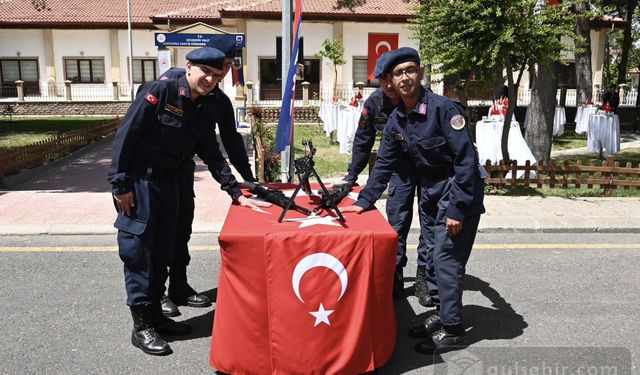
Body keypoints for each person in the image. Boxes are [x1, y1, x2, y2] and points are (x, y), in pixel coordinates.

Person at [107, 46, 270, 356]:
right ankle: (141, 327)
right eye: (204, 72)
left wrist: (236, 191)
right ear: (190, 67)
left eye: (217, 75)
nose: (210, 79)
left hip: (171, 185)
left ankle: (157, 316)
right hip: (140, 184)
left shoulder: (204, 106)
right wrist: (120, 184)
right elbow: (126, 136)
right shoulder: (161, 91)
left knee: (163, 251)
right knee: (139, 253)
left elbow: (212, 152)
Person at [341, 47, 485, 352]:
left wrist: (458, 209)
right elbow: (383, 164)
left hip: (459, 191)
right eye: (398, 73)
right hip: (432, 191)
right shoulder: (397, 120)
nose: (404, 78)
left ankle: (454, 328)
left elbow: (466, 163)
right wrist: (364, 200)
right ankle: (441, 312)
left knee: (446, 259)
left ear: (420, 73)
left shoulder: (444, 110)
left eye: (409, 70)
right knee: (432, 254)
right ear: (391, 81)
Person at [157, 36, 257, 318]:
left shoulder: (218, 100)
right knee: (161, 233)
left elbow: (228, 142)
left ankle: (179, 286)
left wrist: (247, 179)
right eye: (217, 65)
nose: (220, 73)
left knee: (182, 229)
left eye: (225, 66)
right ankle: (159, 293)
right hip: (156, 173)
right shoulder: (171, 85)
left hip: (182, 171)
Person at [337, 51, 431, 306]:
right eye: (384, 79)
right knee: (397, 222)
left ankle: (425, 276)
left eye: (394, 77)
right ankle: (395, 273)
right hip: (398, 168)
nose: (390, 85)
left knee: (429, 223)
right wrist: (351, 176)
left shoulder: (418, 99)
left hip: (428, 169)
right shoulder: (374, 103)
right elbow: (363, 142)